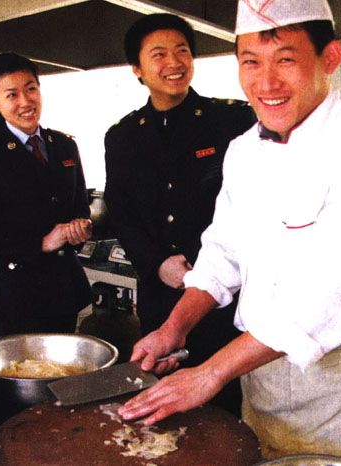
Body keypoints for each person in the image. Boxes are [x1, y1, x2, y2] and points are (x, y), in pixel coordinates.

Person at [117, 1, 341, 463]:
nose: (266, 83)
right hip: (262, 386)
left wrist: (211, 373)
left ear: (331, 58)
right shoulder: (243, 150)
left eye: (285, 60)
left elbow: (327, 296)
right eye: (251, 62)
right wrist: (174, 327)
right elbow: (223, 251)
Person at [104, 14, 257, 416]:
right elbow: (122, 213)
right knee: (163, 402)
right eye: (159, 54)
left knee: (224, 403)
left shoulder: (231, 120)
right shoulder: (122, 136)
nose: (174, 62)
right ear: (137, 68)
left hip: (224, 293)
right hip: (159, 296)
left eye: (182, 51)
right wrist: (157, 264)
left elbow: (247, 203)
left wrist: (199, 266)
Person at [0, 53, 92, 337]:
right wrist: (41, 243)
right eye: (12, 94)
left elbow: (80, 206)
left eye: (30, 89)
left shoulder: (63, 145)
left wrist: (80, 229)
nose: (25, 102)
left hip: (64, 288)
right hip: (17, 294)